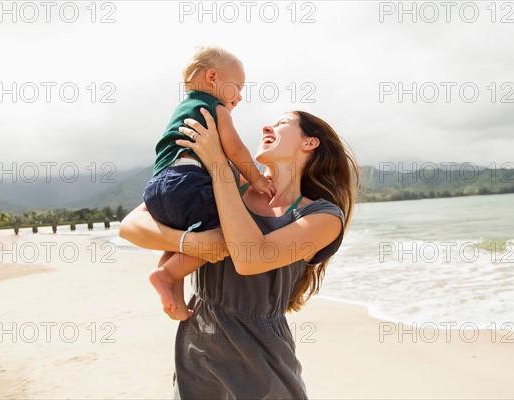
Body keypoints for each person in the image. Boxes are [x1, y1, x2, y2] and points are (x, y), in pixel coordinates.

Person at [120, 108, 358, 399]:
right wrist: (190, 242)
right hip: (196, 345)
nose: (266, 128)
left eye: (281, 124)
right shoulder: (230, 181)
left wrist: (220, 166)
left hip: (262, 356)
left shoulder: (322, 216)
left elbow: (250, 258)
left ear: (310, 143)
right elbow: (130, 226)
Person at [144, 46, 275, 320]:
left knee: (180, 243)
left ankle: (174, 298)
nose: (240, 96)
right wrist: (257, 178)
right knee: (227, 231)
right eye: (238, 87)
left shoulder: (182, 108)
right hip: (187, 184)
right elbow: (235, 149)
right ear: (213, 77)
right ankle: (166, 274)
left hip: (157, 187)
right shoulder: (215, 107)